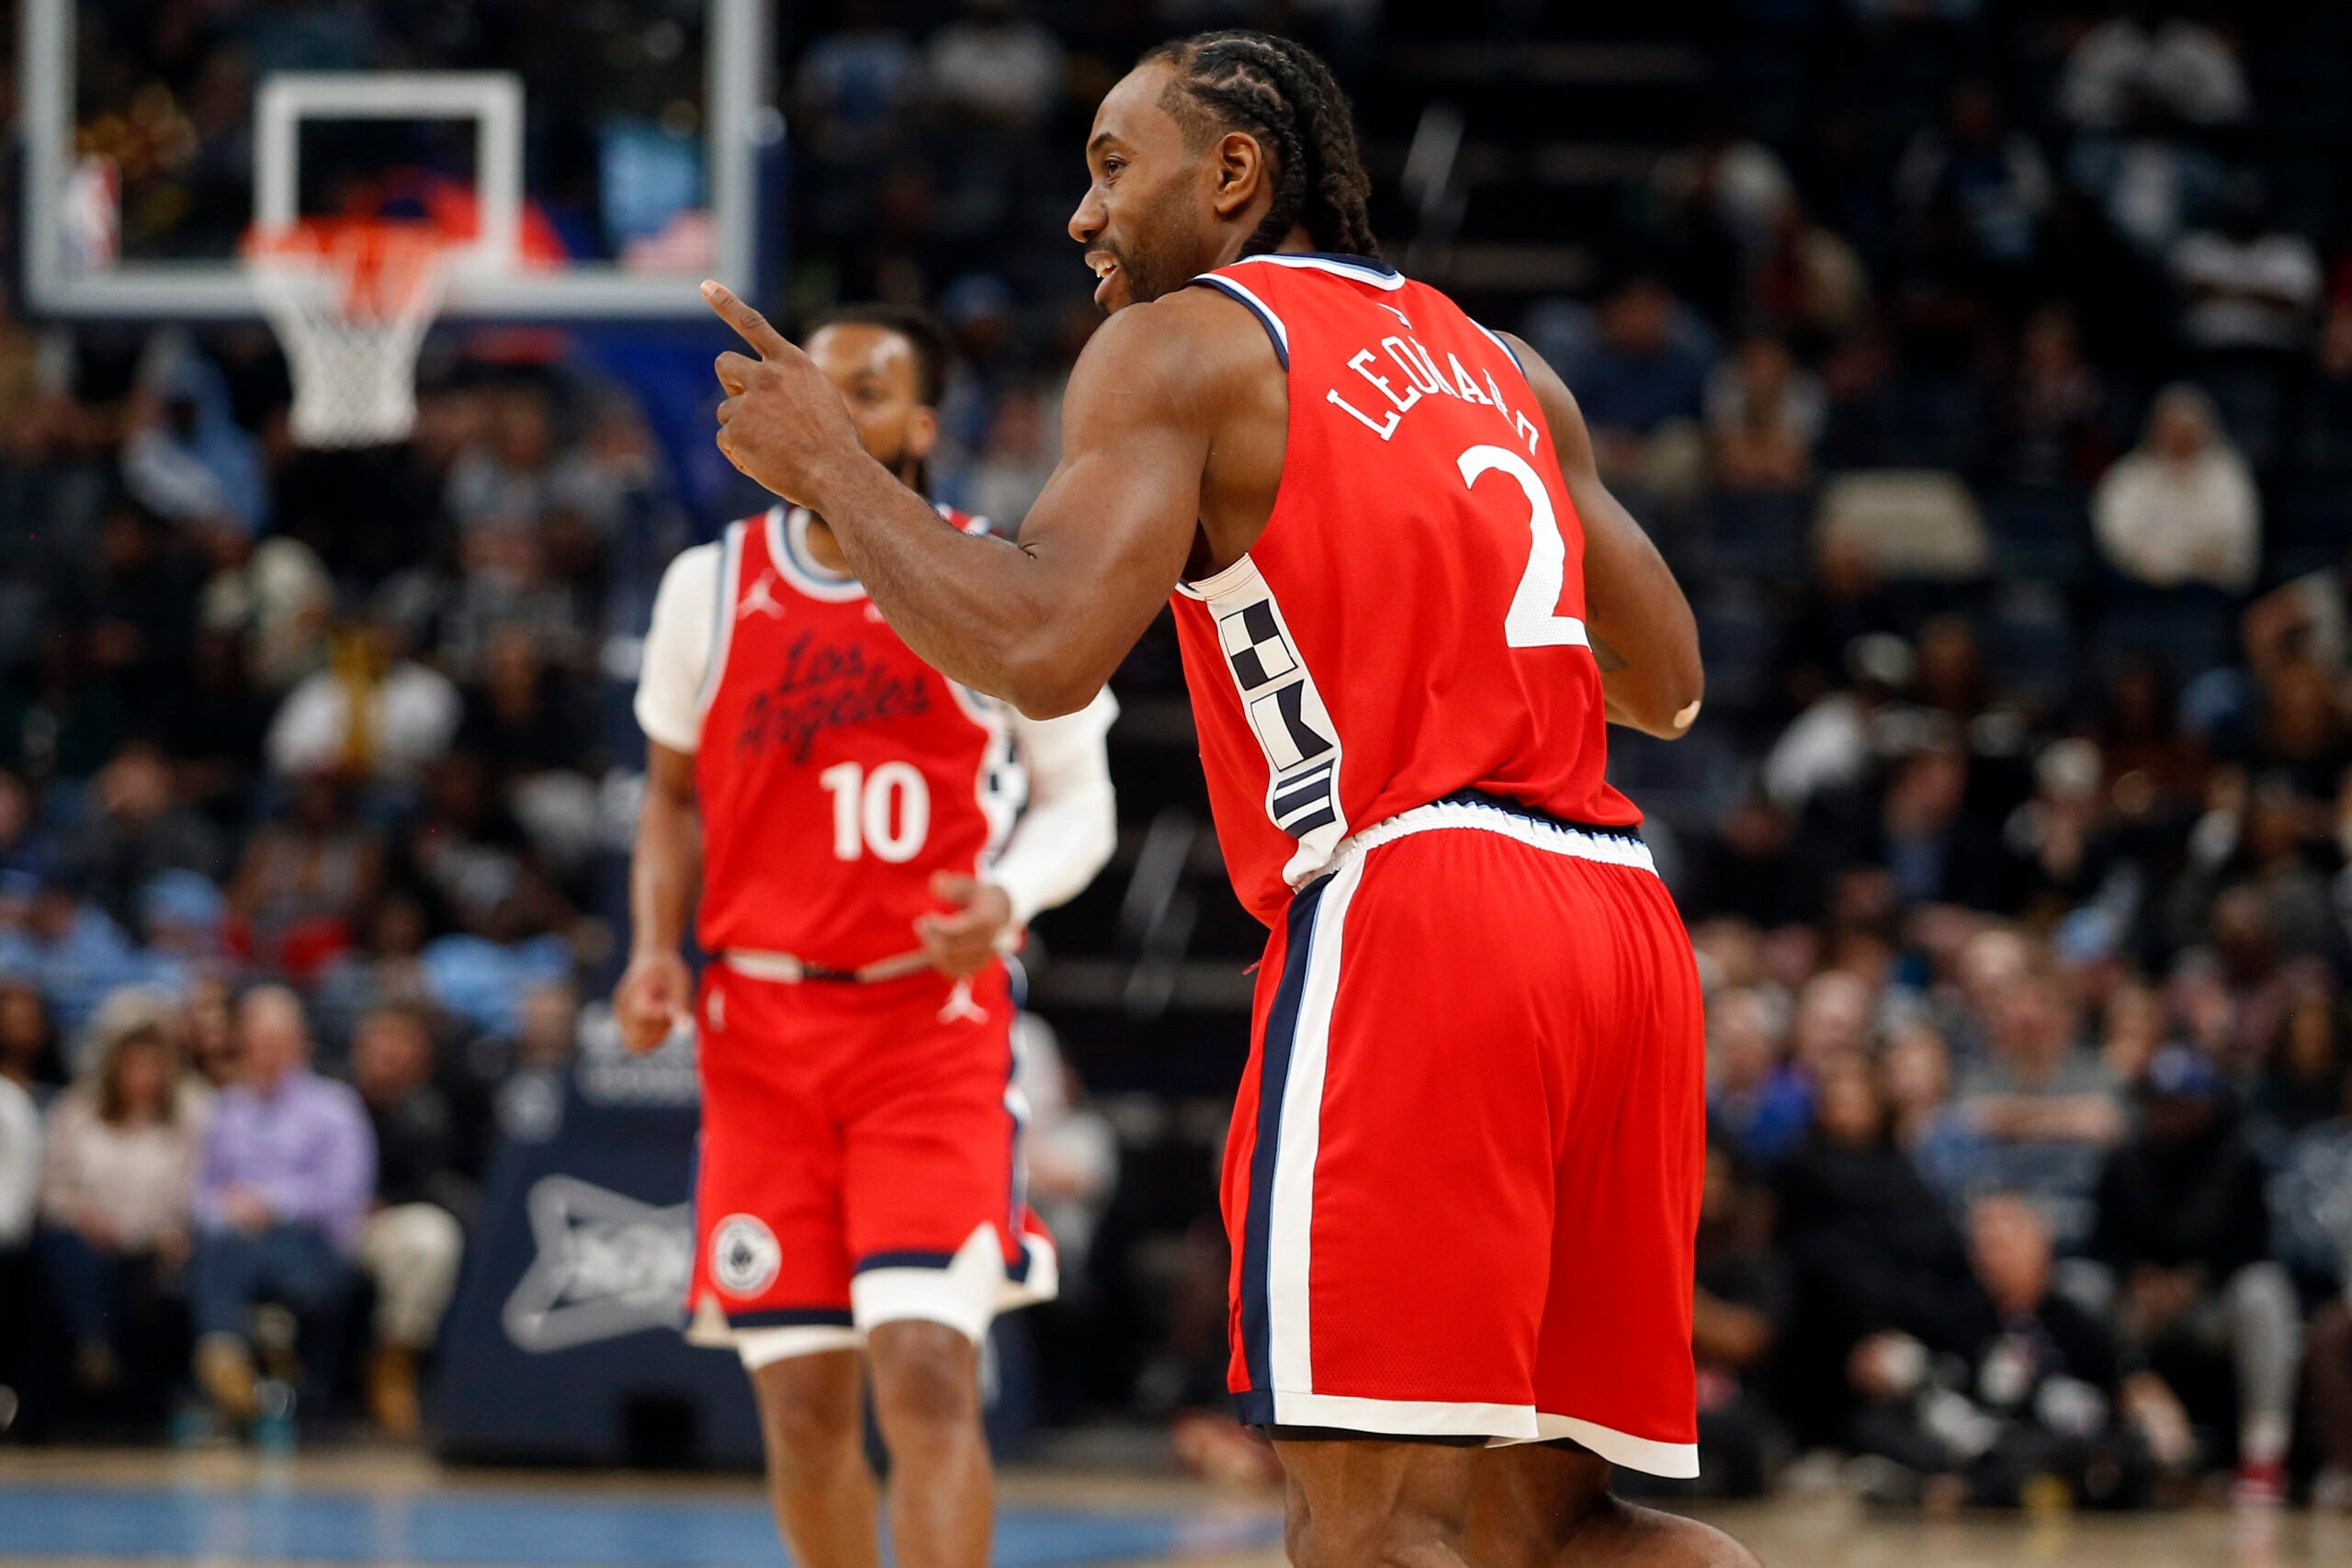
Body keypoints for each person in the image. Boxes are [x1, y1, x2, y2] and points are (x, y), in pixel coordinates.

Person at [701, 29, 1745, 1568]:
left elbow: (1045, 649)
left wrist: (840, 475)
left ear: (1235, 173)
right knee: (1569, 1526)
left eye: (1114, 167)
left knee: (1366, 1522)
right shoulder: (1503, 363)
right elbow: (1668, 681)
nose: (1083, 213)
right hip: (1617, 923)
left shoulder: (1187, 341)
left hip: (1424, 911)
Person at [617, 303, 1118, 1568]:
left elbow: (1083, 799)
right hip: (759, 1033)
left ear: (923, 422)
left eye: (870, 387)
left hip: (926, 1027)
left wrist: (1008, 896)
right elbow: (669, 792)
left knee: (929, 1370)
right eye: (818, 385)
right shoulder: (709, 585)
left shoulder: (991, 576)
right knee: (800, 1405)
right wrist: (649, 943)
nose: (835, 407)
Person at [2090, 1045, 2301, 1505]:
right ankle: (2097, 1446)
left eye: (2183, 1102)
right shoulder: (2124, 1159)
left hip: (2211, 1303)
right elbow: (2103, 1241)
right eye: (2161, 1102)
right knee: (2082, 1290)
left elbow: (2253, 1245)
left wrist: (2194, 1281)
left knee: (2264, 1293)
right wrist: (2137, 1277)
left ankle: (2263, 1456)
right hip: (2140, 1305)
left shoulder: (2240, 1158)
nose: (2171, 1114)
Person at [187, 986, 374, 1430]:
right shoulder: (226, 1108)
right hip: (234, 1244)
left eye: (277, 1040)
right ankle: (230, 1361)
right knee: (221, 1241)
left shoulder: (335, 1108)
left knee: (231, 1249)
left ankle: (223, 1346)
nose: (267, 1051)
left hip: (312, 1250)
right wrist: (224, 1210)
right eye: (258, 1039)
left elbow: (343, 1194)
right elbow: (200, 1191)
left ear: (300, 1043)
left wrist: (269, 1205)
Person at [36, 1021, 200, 1397]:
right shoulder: (76, 1113)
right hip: (84, 1236)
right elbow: (52, 1187)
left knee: (161, 1272)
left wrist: (149, 1232)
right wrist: (85, 1214)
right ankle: (93, 1346)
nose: (141, 1076)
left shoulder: (183, 1126)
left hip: (151, 1245)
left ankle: (119, 1367)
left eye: (151, 1065)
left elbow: (188, 1195)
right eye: (133, 1065)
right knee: (69, 1252)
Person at [349, 1003, 469, 1438]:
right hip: (314, 1217)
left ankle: (394, 1362)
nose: (386, 1060)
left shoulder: (427, 1112)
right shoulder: (331, 1098)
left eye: (398, 1051)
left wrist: (382, 1203)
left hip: (385, 1223)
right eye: (378, 1049)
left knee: (431, 1239)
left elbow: (431, 1183)